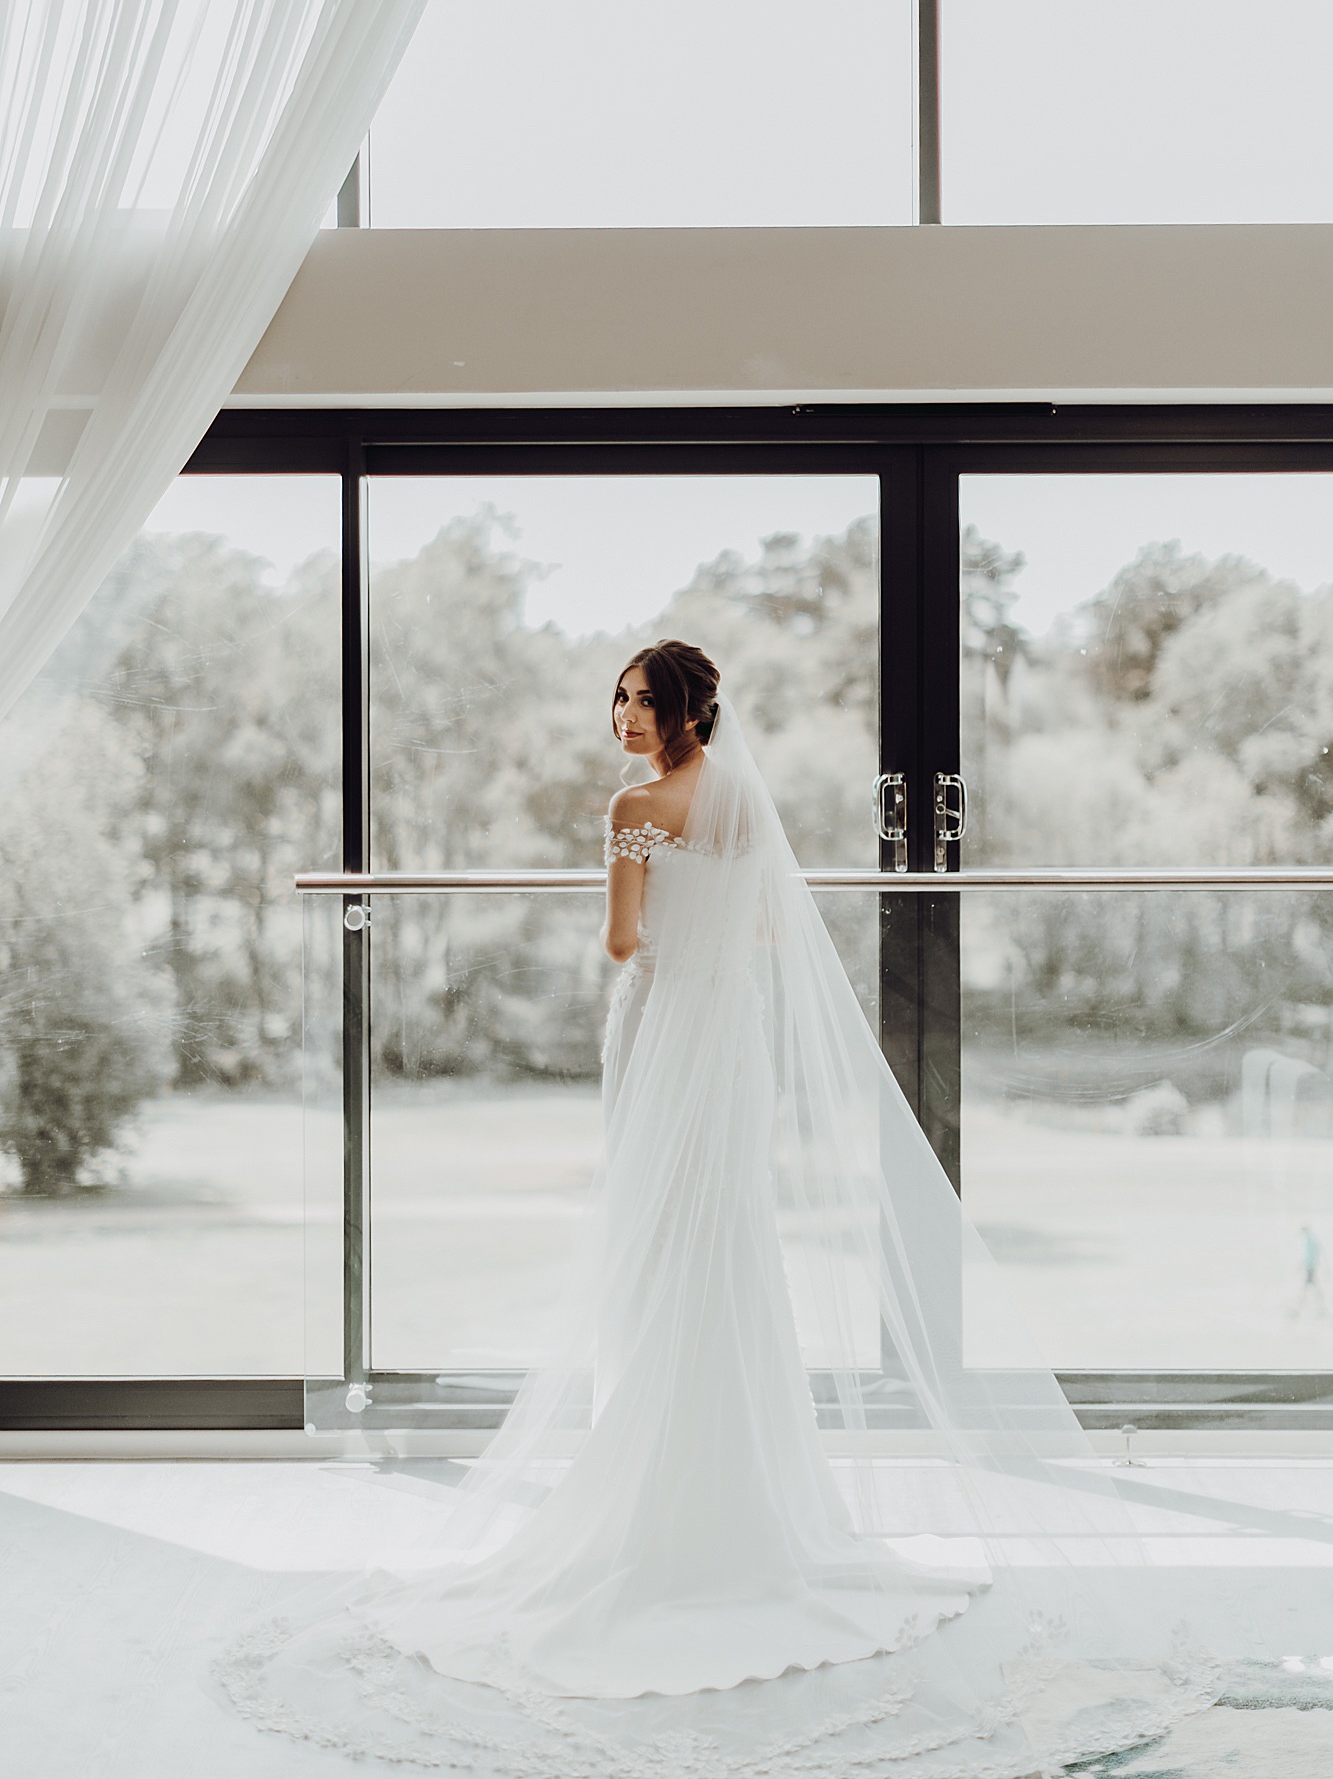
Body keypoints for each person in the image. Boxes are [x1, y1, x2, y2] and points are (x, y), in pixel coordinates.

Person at [219, 641, 1227, 1774]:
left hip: (661, 1031)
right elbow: (759, 928)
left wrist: (654, 918)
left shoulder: (634, 806)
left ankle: (657, 1488)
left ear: (679, 710)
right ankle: (746, 1498)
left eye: (639, 699)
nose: (623, 716)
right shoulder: (745, 799)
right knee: (729, 1248)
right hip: (733, 1035)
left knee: (656, 1254)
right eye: (619, 698)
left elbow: (617, 939)